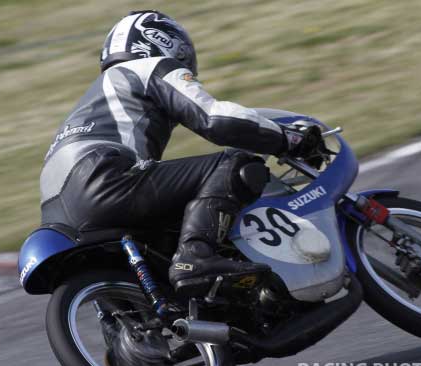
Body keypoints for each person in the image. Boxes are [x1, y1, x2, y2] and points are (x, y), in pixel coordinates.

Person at [40, 10, 324, 295]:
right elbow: (217, 120)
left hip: (58, 213)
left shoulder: (92, 99)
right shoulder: (149, 67)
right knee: (236, 165)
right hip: (104, 178)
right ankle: (197, 257)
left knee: (170, 234)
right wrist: (288, 139)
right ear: (165, 41)